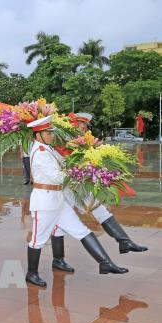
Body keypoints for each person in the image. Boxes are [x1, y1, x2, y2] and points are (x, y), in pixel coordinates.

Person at [25, 116, 127, 288]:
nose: (51, 135)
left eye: (51, 131)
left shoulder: (47, 148)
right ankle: (31, 273)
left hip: (57, 200)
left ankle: (106, 263)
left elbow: (63, 164)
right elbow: (58, 177)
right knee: (38, 240)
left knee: (82, 231)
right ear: (38, 135)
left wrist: (82, 164)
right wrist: (79, 174)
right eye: (48, 132)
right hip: (44, 202)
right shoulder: (40, 153)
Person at [50, 112, 147, 273]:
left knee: (99, 208)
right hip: (62, 187)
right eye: (81, 127)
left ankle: (124, 241)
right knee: (58, 224)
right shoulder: (61, 143)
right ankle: (58, 260)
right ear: (74, 126)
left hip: (76, 185)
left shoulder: (81, 141)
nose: (84, 130)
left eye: (85, 127)